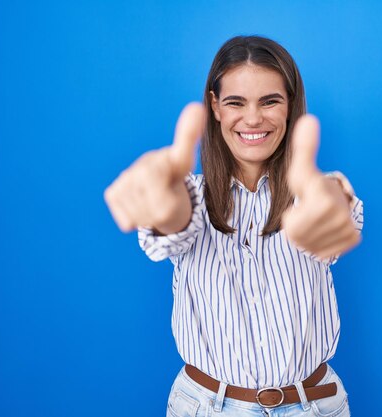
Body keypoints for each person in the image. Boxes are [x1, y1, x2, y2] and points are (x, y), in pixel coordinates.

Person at [104, 35, 363, 417]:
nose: (253, 118)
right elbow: (177, 219)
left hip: (315, 406)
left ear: (290, 106)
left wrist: (335, 200)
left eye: (270, 101)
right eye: (235, 102)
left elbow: (335, 206)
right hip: (208, 407)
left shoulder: (312, 196)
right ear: (215, 107)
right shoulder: (189, 196)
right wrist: (163, 202)